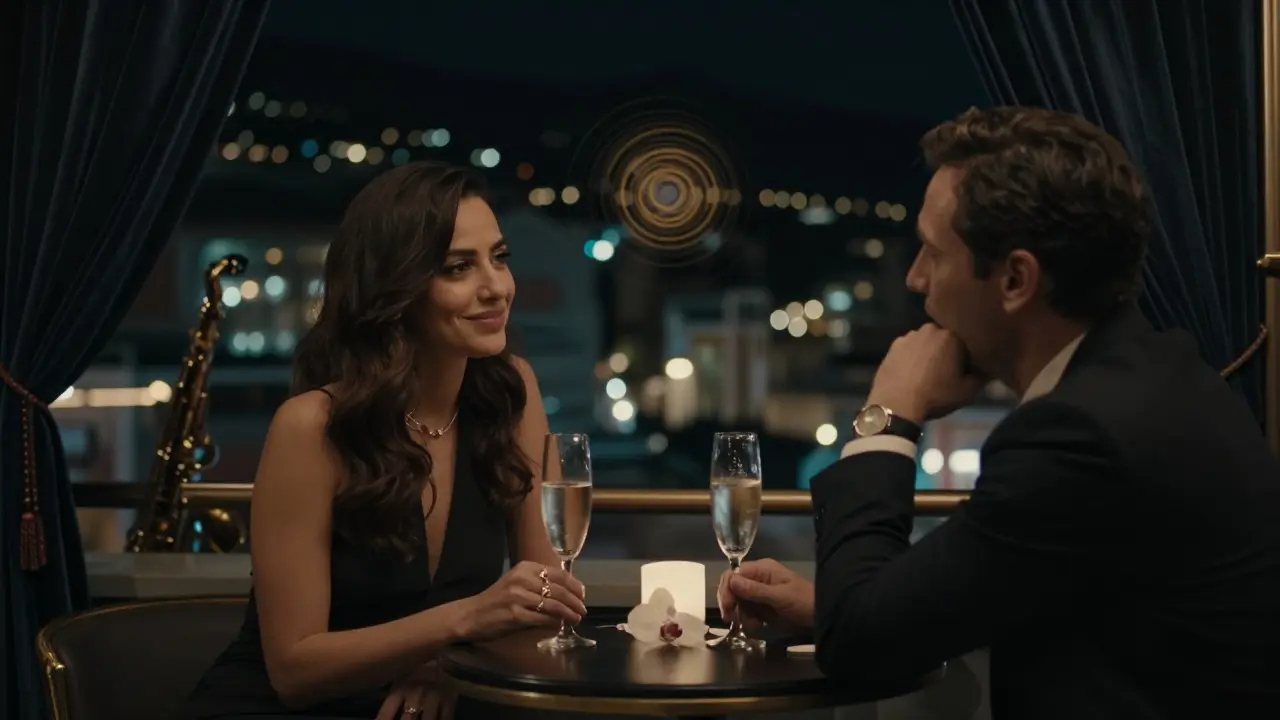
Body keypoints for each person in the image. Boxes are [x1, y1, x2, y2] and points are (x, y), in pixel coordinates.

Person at [717, 107, 1280, 717]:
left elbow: (863, 643)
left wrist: (888, 414)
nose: (914, 279)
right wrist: (839, 604)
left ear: (1015, 279)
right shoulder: (1160, 376)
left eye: (933, 252)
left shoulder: (1080, 436)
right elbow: (985, 584)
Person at [185, 161, 586, 720]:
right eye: (458, 268)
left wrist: (447, 665)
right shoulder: (311, 425)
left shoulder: (511, 391)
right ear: (395, 289)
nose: (496, 287)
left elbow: (547, 605)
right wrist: (458, 627)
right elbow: (294, 671)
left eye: (499, 258)